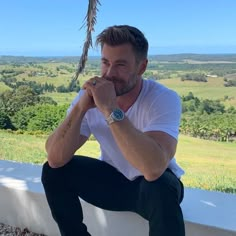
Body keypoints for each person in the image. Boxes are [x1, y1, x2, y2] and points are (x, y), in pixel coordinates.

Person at [41, 25, 185, 236]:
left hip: (152, 191)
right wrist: (81, 107)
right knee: (54, 172)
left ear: (141, 67)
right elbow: (55, 158)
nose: (109, 73)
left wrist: (110, 108)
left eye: (120, 65)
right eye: (105, 62)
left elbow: (153, 167)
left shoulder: (163, 98)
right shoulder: (91, 97)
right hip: (112, 181)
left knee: (160, 185)